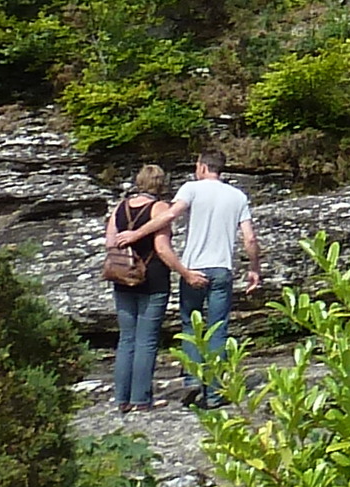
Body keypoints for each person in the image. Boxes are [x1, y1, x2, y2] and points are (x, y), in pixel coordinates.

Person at [168, 154, 262, 408]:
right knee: (218, 328)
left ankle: (192, 379)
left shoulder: (191, 189)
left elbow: (172, 214)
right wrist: (254, 268)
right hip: (221, 268)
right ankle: (215, 392)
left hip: (194, 267)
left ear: (202, 166)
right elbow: (250, 239)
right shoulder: (238, 196)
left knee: (191, 325)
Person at [102, 165, 176, 412]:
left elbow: (110, 242)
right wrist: (183, 271)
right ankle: (141, 399)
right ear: (160, 183)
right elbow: (162, 247)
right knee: (146, 340)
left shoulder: (120, 208)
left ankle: (122, 399)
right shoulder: (160, 208)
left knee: (126, 339)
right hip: (152, 277)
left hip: (122, 276)